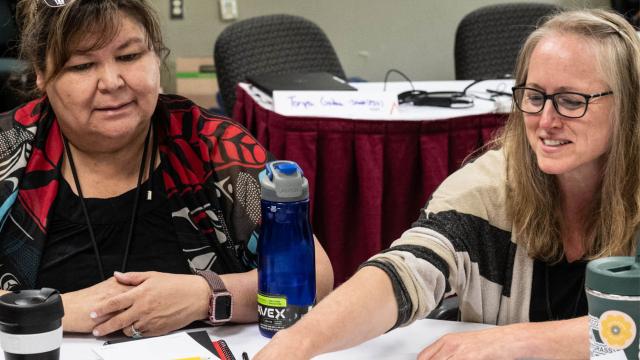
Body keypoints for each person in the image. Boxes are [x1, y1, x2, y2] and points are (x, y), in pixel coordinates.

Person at [255, 8, 640, 360]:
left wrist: (514, 340)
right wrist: (297, 344)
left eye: (572, 101)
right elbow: (404, 271)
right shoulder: (490, 185)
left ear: (629, 105)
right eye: (534, 96)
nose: (546, 120)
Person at [0, 0, 333, 338]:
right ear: (41, 75)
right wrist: (62, 310)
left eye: (129, 57)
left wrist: (208, 294)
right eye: (83, 66)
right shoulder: (6, 149)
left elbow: (315, 274)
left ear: (156, 57)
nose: (112, 81)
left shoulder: (214, 145)